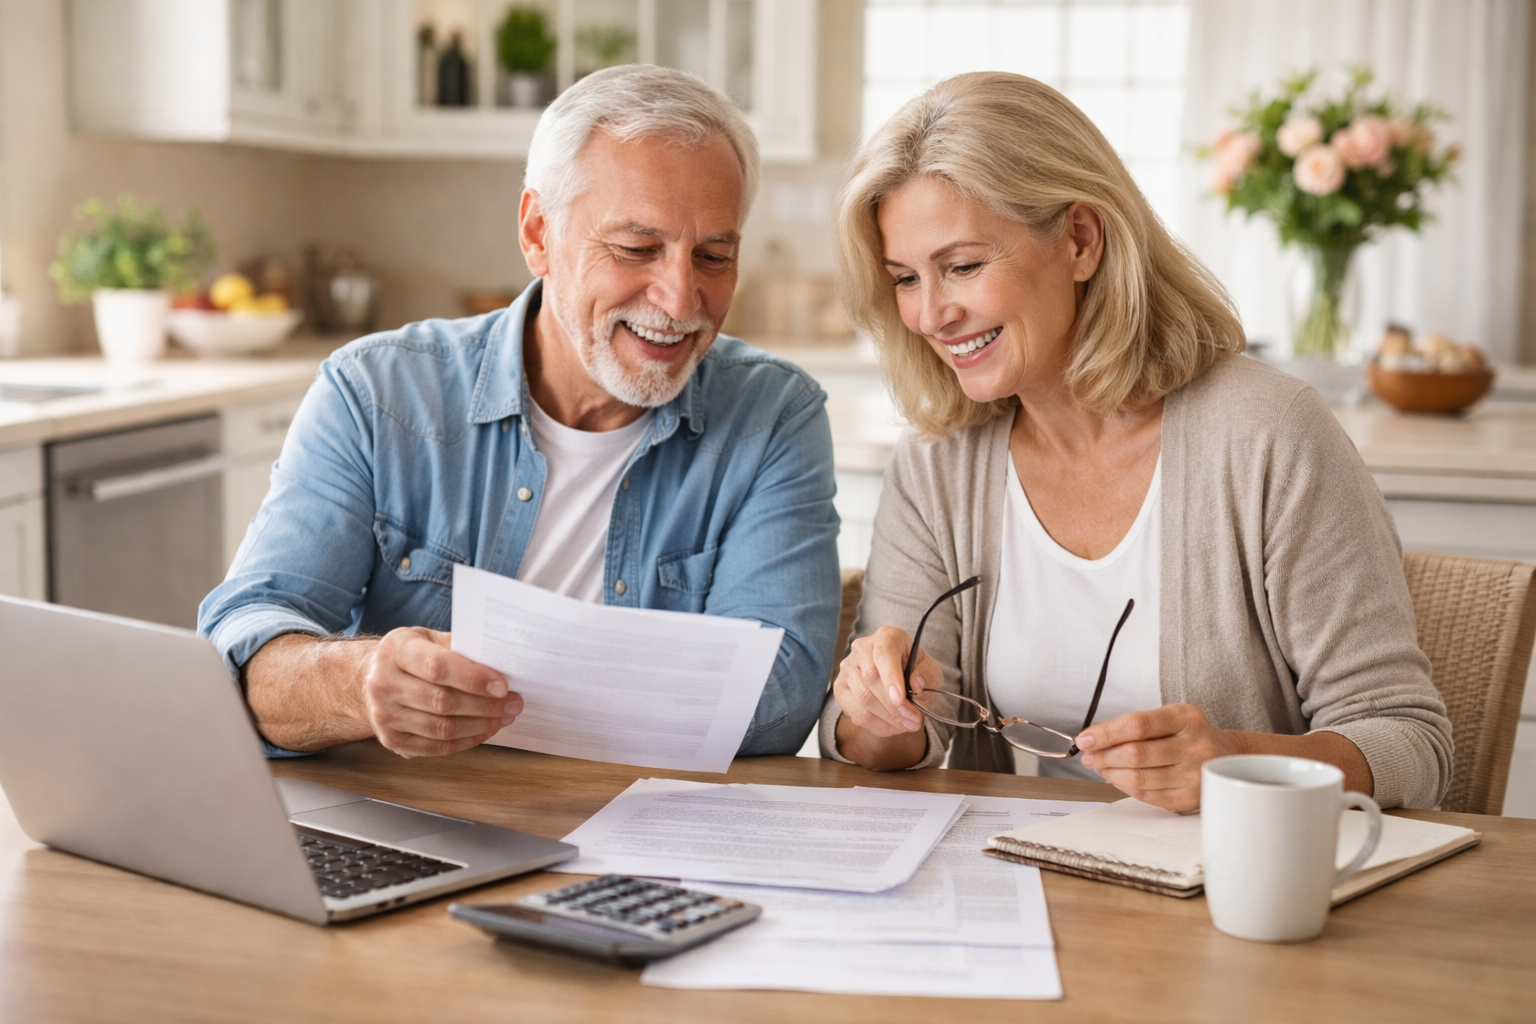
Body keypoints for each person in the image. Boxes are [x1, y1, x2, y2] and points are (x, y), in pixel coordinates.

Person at [820, 72, 1452, 811]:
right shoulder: (939, 462)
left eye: (962, 266)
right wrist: (878, 710)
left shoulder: (1266, 435)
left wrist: (1234, 761)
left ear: (1082, 240)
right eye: (904, 277)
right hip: (1014, 883)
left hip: (1228, 895)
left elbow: (1412, 743)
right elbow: (881, 749)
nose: (930, 315)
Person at [199, 65, 840, 761]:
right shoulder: (377, 393)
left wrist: (516, 684)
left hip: (647, 830)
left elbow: (782, 698)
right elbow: (245, 650)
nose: (681, 301)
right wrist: (359, 683)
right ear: (538, 233)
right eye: (636, 249)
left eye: (713, 256)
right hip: (415, 821)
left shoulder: (775, 415)